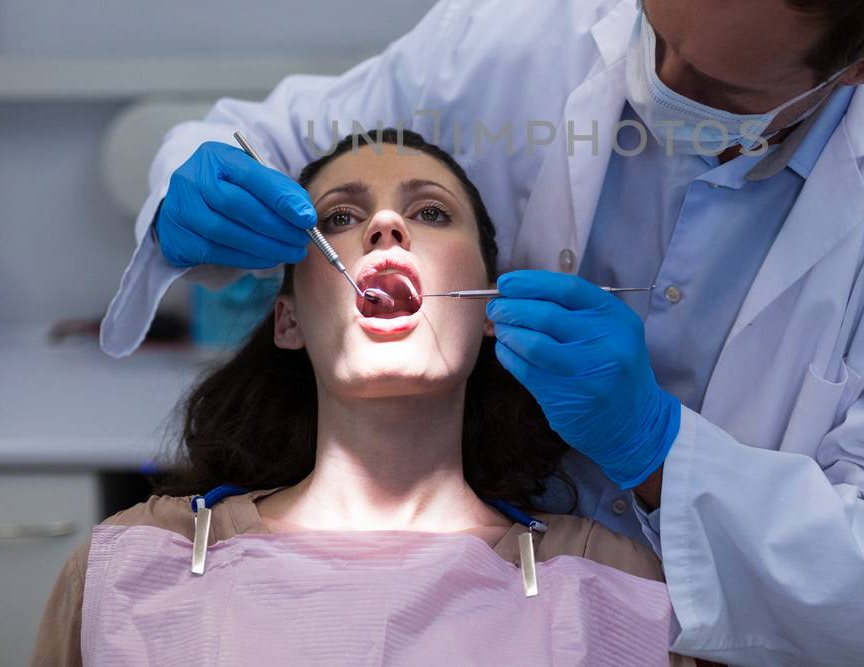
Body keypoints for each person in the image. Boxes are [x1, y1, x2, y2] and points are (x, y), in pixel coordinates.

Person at [101, 0, 864, 665]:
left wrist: (658, 449)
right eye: (655, 30)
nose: (659, 81)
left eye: (718, 85)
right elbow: (277, 138)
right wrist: (194, 181)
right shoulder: (518, 30)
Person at [40, 129, 703, 666]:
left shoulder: (605, 580)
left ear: (490, 313)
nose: (386, 224)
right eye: (342, 216)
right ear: (289, 320)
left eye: (431, 211)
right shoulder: (130, 566)